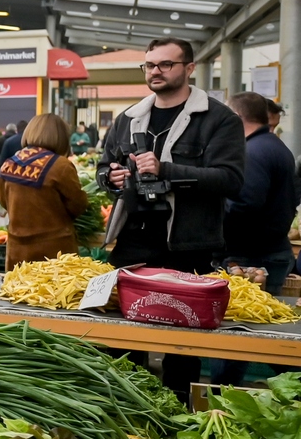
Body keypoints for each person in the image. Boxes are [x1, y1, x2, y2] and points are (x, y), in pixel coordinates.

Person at [99, 36, 245, 398]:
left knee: (183, 348)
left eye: (166, 64)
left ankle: (178, 419)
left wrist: (166, 169)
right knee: (123, 344)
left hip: (189, 245)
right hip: (133, 244)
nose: (156, 71)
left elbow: (231, 179)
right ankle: (129, 413)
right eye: (150, 65)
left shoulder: (218, 119)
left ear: (189, 68)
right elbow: (105, 169)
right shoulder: (129, 118)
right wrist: (111, 178)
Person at [213, 92, 299, 386]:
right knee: (260, 333)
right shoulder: (273, 147)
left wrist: (213, 223)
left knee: (235, 338)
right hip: (268, 251)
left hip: (251, 257)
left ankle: (221, 398)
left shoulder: (253, 152)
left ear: (236, 119)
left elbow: (245, 204)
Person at [0, 113, 88, 268]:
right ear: (60, 137)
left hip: (17, 250)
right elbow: (78, 205)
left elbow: (3, 200)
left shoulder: (10, 163)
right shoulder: (61, 165)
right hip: (55, 253)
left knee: (21, 290)